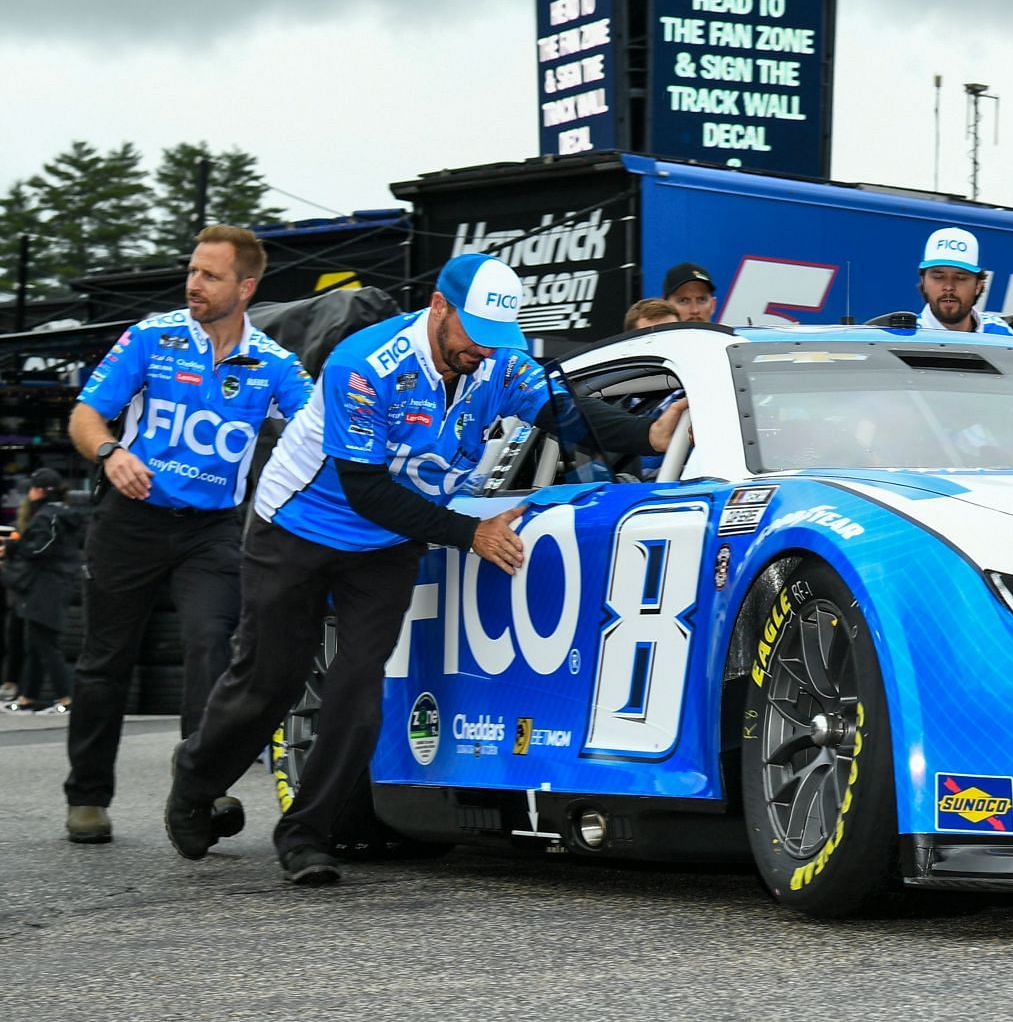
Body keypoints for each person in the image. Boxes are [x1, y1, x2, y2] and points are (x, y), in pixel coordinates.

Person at [165, 254, 664, 885]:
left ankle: (306, 834)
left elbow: (568, 417)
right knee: (273, 678)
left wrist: (649, 435)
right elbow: (367, 489)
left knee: (359, 684)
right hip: (299, 525)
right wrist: (469, 532)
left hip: (389, 540)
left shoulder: (498, 359)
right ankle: (195, 779)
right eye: (472, 335)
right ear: (438, 307)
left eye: (495, 340)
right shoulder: (364, 365)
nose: (482, 352)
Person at [62, 225, 312, 845]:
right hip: (130, 520)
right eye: (193, 271)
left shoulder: (274, 364)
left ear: (245, 287)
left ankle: (199, 789)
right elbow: (85, 416)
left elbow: (318, 431)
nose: (193, 283)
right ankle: (87, 797)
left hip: (212, 530)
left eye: (210, 275)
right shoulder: (152, 336)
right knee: (104, 660)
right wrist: (111, 452)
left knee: (212, 645)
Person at [2, 469, 81, 715]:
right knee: (35, 643)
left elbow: (40, 549)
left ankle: (67, 697)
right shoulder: (62, 513)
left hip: (46, 586)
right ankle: (29, 697)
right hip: (53, 584)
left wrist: (13, 547)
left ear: (37, 490)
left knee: (46, 644)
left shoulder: (47, 516)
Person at [916, 227, 1013, 335]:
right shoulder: (905, 337)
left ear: (978, 286)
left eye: (960, 278)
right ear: (923, 282)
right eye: (939, 277)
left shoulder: (1000, 333)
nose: (949, 287)